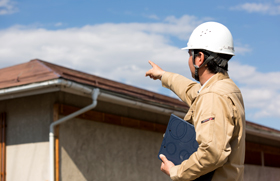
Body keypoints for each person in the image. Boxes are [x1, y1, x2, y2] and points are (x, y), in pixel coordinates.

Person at [145, 22, 246, 181]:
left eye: (190, 54)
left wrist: (176, 171)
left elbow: (212, 154)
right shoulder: (225, 89)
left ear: (199, 58)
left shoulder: (213, 95)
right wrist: (163, 75)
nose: (189, 60)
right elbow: (191, 90)